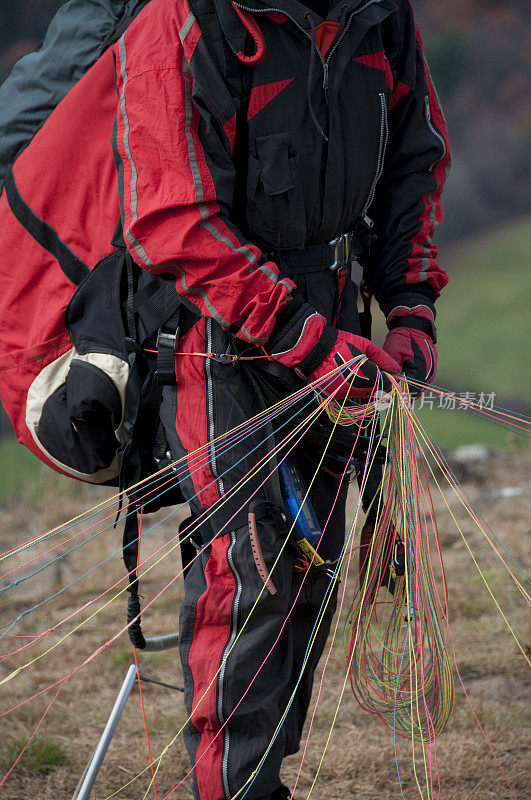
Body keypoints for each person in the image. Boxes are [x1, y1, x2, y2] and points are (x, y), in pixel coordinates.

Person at [112, 0, 450, 797]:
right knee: (253, 578)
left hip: (341, 330)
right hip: (219, 343)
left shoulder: (378, 15)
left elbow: (416, 160)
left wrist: (411, 305)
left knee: (311, 571)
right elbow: (174, 221)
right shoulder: (184, 23)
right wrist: (298, 335)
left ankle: (260, 778)